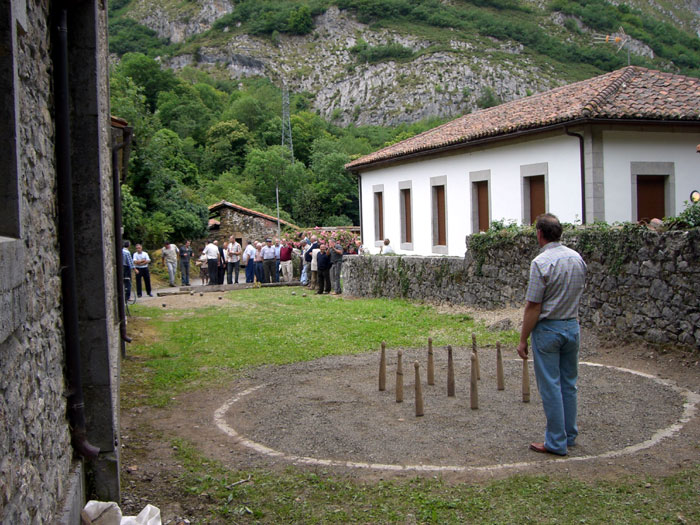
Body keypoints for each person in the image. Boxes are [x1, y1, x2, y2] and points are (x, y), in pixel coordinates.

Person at [517, 213, 587, 457]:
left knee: (550, 386)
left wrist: (522, 338)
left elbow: (533, 306)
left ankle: (556, 442)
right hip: (572, 325)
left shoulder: (541, 263)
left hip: (549, 329)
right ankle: (569, 434)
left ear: (539, 233)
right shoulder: (577, 258)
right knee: (569, 384)